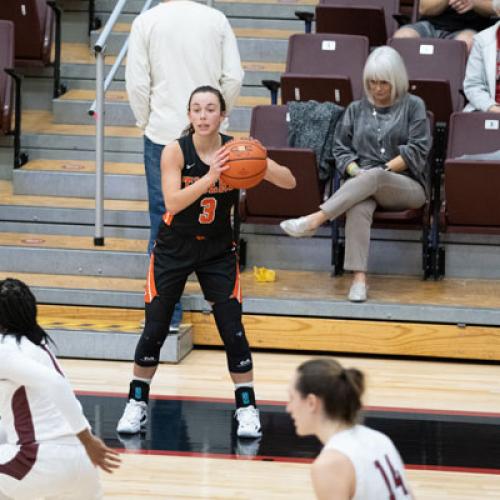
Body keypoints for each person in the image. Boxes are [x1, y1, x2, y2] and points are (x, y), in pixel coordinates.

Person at [116, 86, 296, 438]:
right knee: (155, 326)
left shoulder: (236, 151)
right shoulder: (175, 151)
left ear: (222, 115)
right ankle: (136, 404)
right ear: (188, 116)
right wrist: (212, 176)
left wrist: (258, 161)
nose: (202, 115)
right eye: (196, 109)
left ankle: (247, 408)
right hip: (174, 246)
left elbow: (289, 181)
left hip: (217, 248)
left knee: (232, 328)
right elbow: (172, 202)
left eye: (210, 109)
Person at [126, 0, 245, 330]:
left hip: (162, 132)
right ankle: (222, 306)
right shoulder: (215, 18)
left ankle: (164, 315)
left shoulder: (146, 20)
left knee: (163, 219)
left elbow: (136, 82)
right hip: (209, 133)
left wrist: (145, 122)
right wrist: (219, 115)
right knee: (219, 217)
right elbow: (233, 78)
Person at [280, 46, 431, 303]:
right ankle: (358, 280)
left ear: (396, 80)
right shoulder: (355, 109)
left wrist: (378, 172)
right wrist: (355, 170)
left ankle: (316, 218)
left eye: (384, 82)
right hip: (363, 181)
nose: (377, 89)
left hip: (406, 184)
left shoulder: (413, 106)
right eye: (372, 83)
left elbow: (417, 151)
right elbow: (341, 148)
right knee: (359, 205)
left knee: (375, 176)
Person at [0, 278, 120, 500]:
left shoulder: (4, 350)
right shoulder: (39, 345)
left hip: (40, 460)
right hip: (82, 463)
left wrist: (88, 440)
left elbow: (55, 383)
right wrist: (86, 442)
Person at [287, 358, 413, 500]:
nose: (288, 408)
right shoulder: (379, 439)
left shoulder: (329, 464)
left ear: (311, 402)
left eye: (292, 398)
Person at [394, 0, 497, 52]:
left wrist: (474, 3)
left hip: (468, 29)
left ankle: (455, 90)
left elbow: (495, 8)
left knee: (467, 43)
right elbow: (424, 8)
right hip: (431, 26)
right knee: (402, 37)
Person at [463, 0, 500, 111]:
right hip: (489, 110)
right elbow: (473, 85)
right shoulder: (483, 40)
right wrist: (491, 107)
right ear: (498, 11)